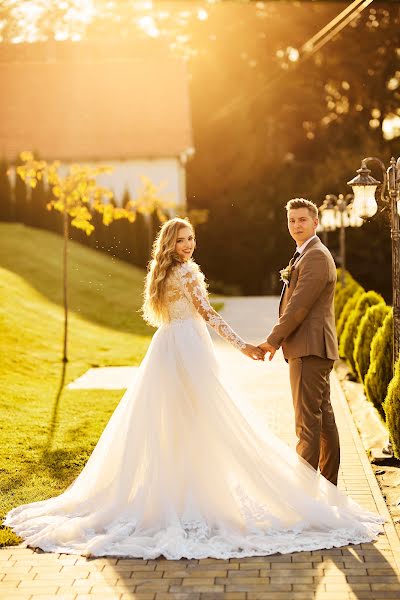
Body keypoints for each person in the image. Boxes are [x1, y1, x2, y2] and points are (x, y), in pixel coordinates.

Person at [4, 217, 383, 560]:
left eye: (191, 239)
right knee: (208, 420)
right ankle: (196, 499)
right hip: (188, 350)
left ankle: (179, 494)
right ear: (170, 243)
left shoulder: (160, 271)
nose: (188, 245)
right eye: (182, 240)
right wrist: (245, 345)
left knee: (176, 425)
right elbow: (209, 314)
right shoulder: (186, 272)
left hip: (168, 347)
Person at [259, 198, 340, 486]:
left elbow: (299, 308)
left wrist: (272, 341)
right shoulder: (304, 254)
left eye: (302, 220)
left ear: (315, 222)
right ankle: (329, 488)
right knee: (322, 418)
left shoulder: (316, 256)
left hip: (309, 348)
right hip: (312, 348)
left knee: (307, 424)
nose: (296, 225)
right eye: (292, 220)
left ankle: (305, 493)